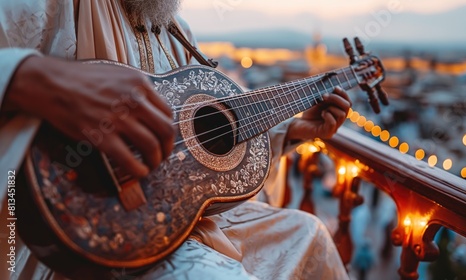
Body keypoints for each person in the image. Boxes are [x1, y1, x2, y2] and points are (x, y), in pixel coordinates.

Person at [0, 0, 352, 279]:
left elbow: (205, 143)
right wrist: (33, 78)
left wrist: (290, 132)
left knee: (311, 232)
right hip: (66, 230)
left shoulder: (176, 33)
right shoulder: (53, 5)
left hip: (178, 223)